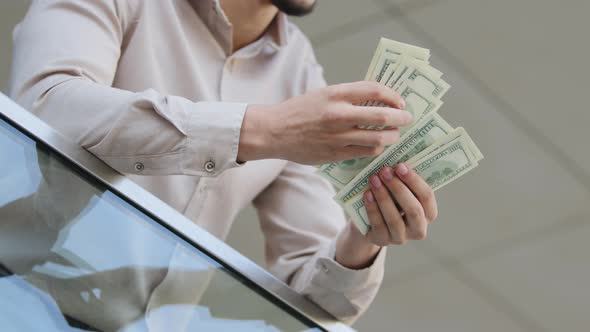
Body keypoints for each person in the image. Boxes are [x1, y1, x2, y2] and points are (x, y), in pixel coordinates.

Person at [9, 0, 439, 324]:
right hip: (18, 300)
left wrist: (364, 238)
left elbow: (320, 299)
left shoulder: (299, 73)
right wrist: (265, 130)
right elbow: (46, 110)